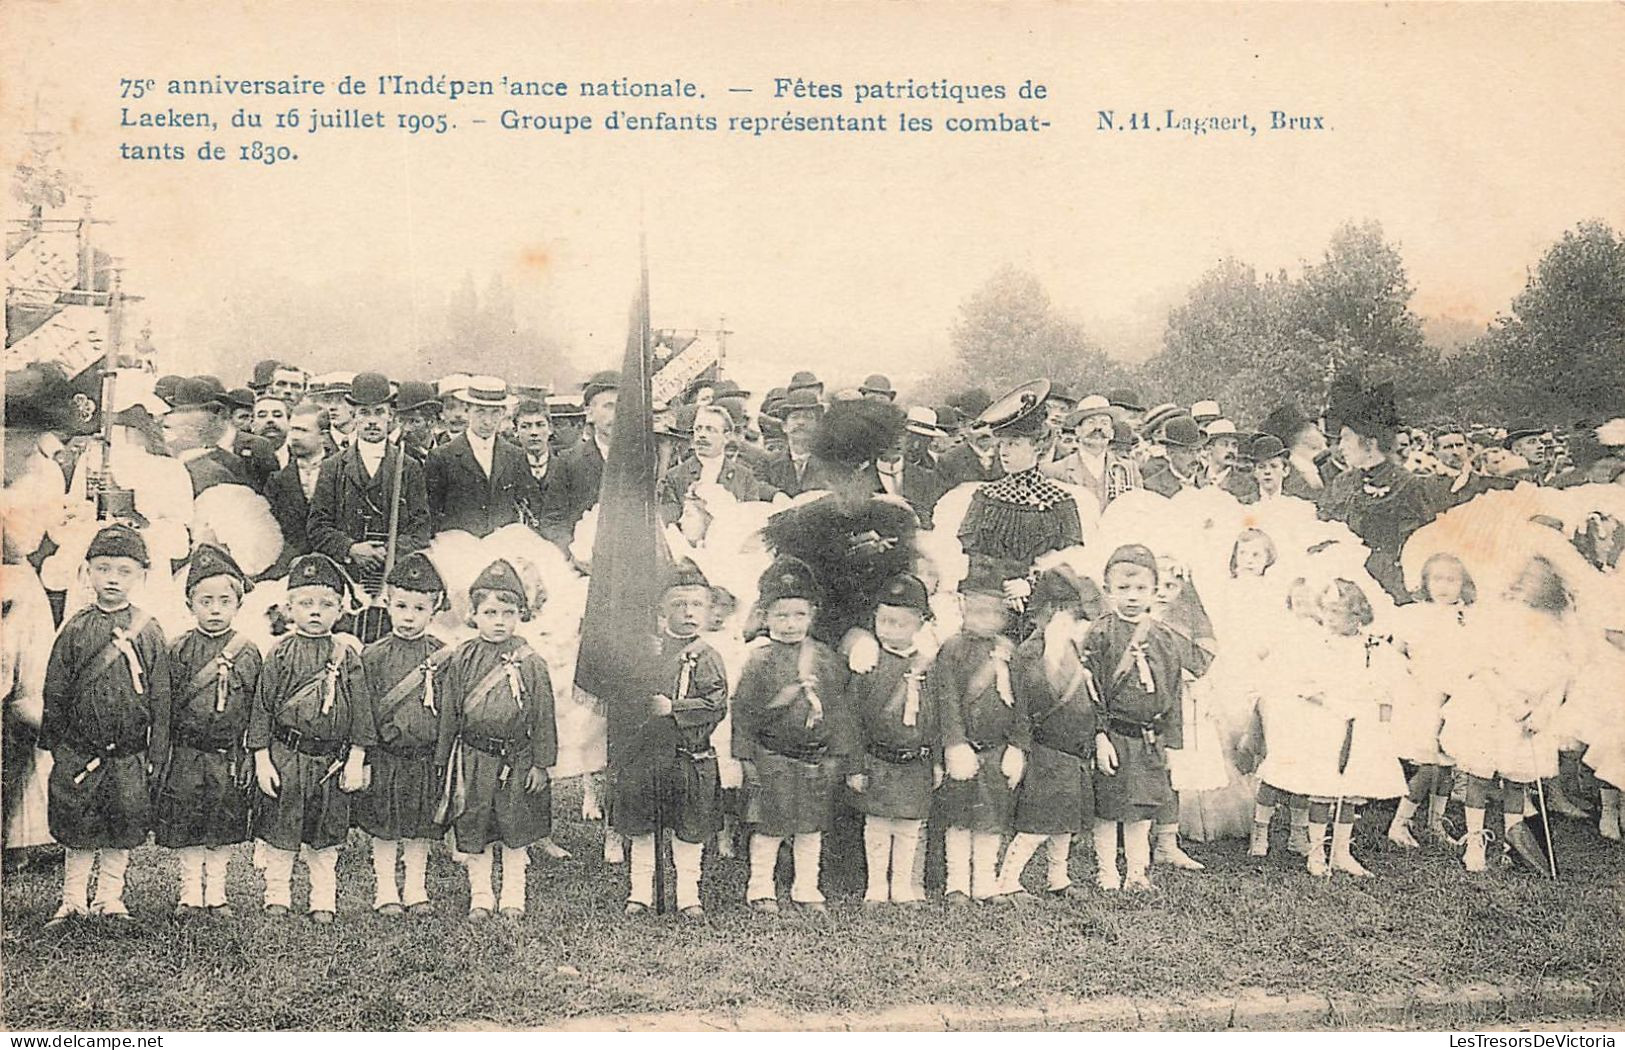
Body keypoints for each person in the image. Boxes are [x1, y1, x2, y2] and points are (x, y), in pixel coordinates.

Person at [41, 524, 173, 925]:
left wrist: (157, 750)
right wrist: (57, 748)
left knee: (123, 823)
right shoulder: (76, 628)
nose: (113, 578)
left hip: (129, 753)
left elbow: (161, 697)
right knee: (78, 824)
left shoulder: (148, 630)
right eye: (103, 568)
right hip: (80, 751)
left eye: (124, 570)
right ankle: (73, 900)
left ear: (142, 577)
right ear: (87, 573)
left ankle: (111, 898)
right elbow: (56, 689)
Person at [248, 553, 372, 921]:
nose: (315, 612)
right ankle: (277, 895)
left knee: (326, 834)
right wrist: (262, 759)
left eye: (326, 604)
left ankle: (323, 899)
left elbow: (361, 713)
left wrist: (356, 759)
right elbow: (262, 709)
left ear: (340, 610)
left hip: (329, 763)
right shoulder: (280, 652)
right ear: (289, 608)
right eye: (305, 603)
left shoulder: (346, 655)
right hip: (287, 755)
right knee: (281, 831)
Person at [434, 559, 558, 922]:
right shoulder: (463, 657)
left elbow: (544, 716)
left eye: (508, 612)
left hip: (516, 759)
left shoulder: (531, 662)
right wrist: (443, 761)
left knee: (515, 827)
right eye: (490, 612)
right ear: (473, 614)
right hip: (474, 758)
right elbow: (450, 712)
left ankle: (514, 895)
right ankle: (481, 895)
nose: (499, 620)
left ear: (521, 613)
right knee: (476, 825)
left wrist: (541, 764)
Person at [1440, 552, 1575, 874]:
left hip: (1532, 712)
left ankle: (1513, 843)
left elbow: (1561, 675)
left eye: (1538, 585)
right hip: (1493, 706)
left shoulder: (1558, 625)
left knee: (1517, 780)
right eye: (1525, 583)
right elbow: (1484, 666)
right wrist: (1512, 703)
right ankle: (1475, 840)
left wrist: (1542, 711)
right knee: (1480, 775)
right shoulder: (1498, 618)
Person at [731, 557, 852, 914]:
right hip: (774, 757)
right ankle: (760, 887)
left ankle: (806, 886)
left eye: (799, 615)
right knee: (770, 826)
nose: (790, 624)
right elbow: (744, 711)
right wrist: (745, 758)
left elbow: (839, 709)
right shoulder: (759, 661)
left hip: (814, 759)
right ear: (765, 617)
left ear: (812, 615)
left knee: (811, 827)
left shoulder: (825, 658)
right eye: (781, 616)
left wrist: (838, 755)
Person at [615, 560, 730, 919]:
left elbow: (716, 704)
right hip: (648, 757)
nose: (688, 612)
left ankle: (687, 894)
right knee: (643, 827)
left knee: (688, 830)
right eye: (678, 604)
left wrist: (675, 708)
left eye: (696, 604)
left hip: (688, 757)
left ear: (710, 611)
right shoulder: (647, 652)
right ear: (662, 610)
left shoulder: (708, 657)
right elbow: (626, 699)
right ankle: (640, 893)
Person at [155, 544, 260, 918]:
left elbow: (255, 709)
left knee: (222, 821)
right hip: (186, 753)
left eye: (223, 601)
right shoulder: (177, 649)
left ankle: (216, 893)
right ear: (190, 604)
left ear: (237, 604)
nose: (215, 610)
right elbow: (163, 708)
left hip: (225, 756)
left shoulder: (248, 653)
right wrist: (161, 756)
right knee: (186, 822)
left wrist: (250, 754)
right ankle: (189, 893)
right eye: (205, 601)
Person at [1083, 545, 1187, 892]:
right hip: (1115, 735)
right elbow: (1091, 690)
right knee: (1109, 808)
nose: (1131, 597)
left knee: (1142, 808)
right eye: (1123, 589)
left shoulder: (1164, 637)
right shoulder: (1099, 634)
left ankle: (1137, 872)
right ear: (1108, 589)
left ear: (1155, 590)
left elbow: (1174, 692)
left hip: (1149, 739)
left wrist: (1172, 742)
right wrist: (1098, 736)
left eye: (1140, 589)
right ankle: (1107, 871)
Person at [995, 567, 1101, 901]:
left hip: (1073, 754)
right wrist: (1019, 748)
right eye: (1070, 614)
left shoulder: (1072, 649)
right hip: (1047, 752)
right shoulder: (1030, 653)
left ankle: (1059, 877)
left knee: (1065, 823)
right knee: (1036, 824)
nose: (1075, 622)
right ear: (1050, 612)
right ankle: (1007, 881)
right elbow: (1022, 706)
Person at [952, 381, 1085, 636]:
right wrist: (1004, 587)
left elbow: (1070, 563)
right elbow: (970, 556)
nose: (1004, 452)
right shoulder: (985, 497)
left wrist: (1031, 584)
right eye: (1002, 444)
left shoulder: (1060, 501)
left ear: (1037, 446)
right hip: (988, 607)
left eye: (1014, 444)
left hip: (1041, 610)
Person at [359, 552, 451, 917]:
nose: (409, 617)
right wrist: (362, 757)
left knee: (419, 827)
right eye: (401, 606)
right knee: (385, 826)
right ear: (387, 604)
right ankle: (385, 889)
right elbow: (363, 713)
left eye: (418, 608)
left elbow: (450, 713)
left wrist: (444, 759)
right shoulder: (373, 656)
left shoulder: (444, 657)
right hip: (387, 757)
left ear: (434, 609)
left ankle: (415, 888)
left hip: (425, 758)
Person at [931, 569, 1029, 905]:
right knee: (959, 819)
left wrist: (1017, 746)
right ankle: (957, 883)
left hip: (996, 751)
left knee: (991, 821)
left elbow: (1020, 705)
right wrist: (954, 744)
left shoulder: (1008, 651)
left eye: (994, 613)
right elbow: (945, 701)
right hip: (965, 750)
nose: (986, 620)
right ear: (963, 609)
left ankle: (984, 881)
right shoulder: (952, 650)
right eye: (978, 611)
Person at [306, 372, 431, 620]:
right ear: (353, 416)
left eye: (379, 413)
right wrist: (351, 548)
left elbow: (421, 528)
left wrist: (387, 552)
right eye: (365, 413)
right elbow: (317, 526)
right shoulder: (333, 466)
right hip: (345, 578)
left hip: (392, 580)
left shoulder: (408, 466)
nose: (372, 421)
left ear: (390, 417)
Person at [845, 572, 938, 908]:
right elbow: (851, 719)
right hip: (878, 761)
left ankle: (902, 886)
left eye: (900, 623)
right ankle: (875, 885)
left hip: (915, 762)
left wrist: (938, 761)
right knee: (877, 826)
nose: (890, 630)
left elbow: (938, 718)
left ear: (920, 624)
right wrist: (855, 765)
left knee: (910, 827)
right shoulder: (868, 663)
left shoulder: (931, 665)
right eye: (884, 621)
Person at [1387, 553, 1475, 847]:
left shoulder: (1469, 617)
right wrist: (1409, 675)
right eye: (1436, 579)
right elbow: (1396, 652)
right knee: (1428, 764)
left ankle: (1435, 823)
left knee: (1447, 763)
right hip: (1423, 695)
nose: (1444, 586)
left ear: (1463, 584)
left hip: (1457, 695)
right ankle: (1400, 823)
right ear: (1425, 581)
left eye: (1452, 580)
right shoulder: (1413, 614)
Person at [1321, 383, 1435, 604]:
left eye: (1346, 438)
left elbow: (1417, 545)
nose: (1340, 446)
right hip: (1343, 583)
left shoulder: (1407, 484)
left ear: (1369, 442)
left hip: (1389, 586)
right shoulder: (1341, 482)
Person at [425, 377, 538, 537]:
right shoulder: (442, 456)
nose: (487, 421)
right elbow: (433, 512)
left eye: (495, 413)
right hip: (457, 546)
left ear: (503, 413)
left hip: (502, 546)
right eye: (480, 412)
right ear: (467, 409)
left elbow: (525, 504)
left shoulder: (516, 455)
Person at [657, 404, 777, 523]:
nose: (702, 435)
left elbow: (750, 520)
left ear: (726, 436)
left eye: (710, 429)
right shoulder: (674, 476)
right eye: (698, 429)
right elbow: (669, 523)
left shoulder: (744, 477)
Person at [539, 371, 618, 548]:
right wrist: (574, 552)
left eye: (623, 406)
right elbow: (553, 520)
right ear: (589, 413)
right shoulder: (569, 461)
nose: (617, 414)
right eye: (608, 406)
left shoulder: (643, 459)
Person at [262, 403, 330, 577]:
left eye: (303, 431)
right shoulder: (277, 480)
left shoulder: (344, 472)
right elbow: (272, 529)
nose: (295, 437)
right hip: (291, 568)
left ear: (323, 436)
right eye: (293, 430)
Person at [1043, 394, 1142, 513]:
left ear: (1111, 433)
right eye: (1091, 422)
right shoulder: (1055, 470)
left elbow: (1137, 511)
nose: (1098, 428)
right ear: (1078, 431)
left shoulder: (1129, 469)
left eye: (1104, 423)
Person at [1260, 403, 1336, 504]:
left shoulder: (1328, 465)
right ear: (1305, 436)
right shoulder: (1287, 478)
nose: (1321, 431)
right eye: (1314, 427)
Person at [760, 388, 826, 496]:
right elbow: (758, 487)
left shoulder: (829, 463)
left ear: (818, 426)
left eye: (808, 417)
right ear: (784, 426)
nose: (801, 422)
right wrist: (776, 495)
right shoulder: (768, 463)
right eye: (795, 417)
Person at [1140, 415, 1206, 496]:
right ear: (1170, 452)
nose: (1195, 457)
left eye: (1198, 451)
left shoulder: (1209, 483)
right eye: (1187, 452)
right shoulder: (1153, 487)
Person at [251, 394, 291, 467]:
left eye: (277, 415)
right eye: (262, 415)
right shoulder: (243, 460)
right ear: (252, 424)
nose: (270, 420)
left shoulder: (300, 457)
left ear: (289, 422)